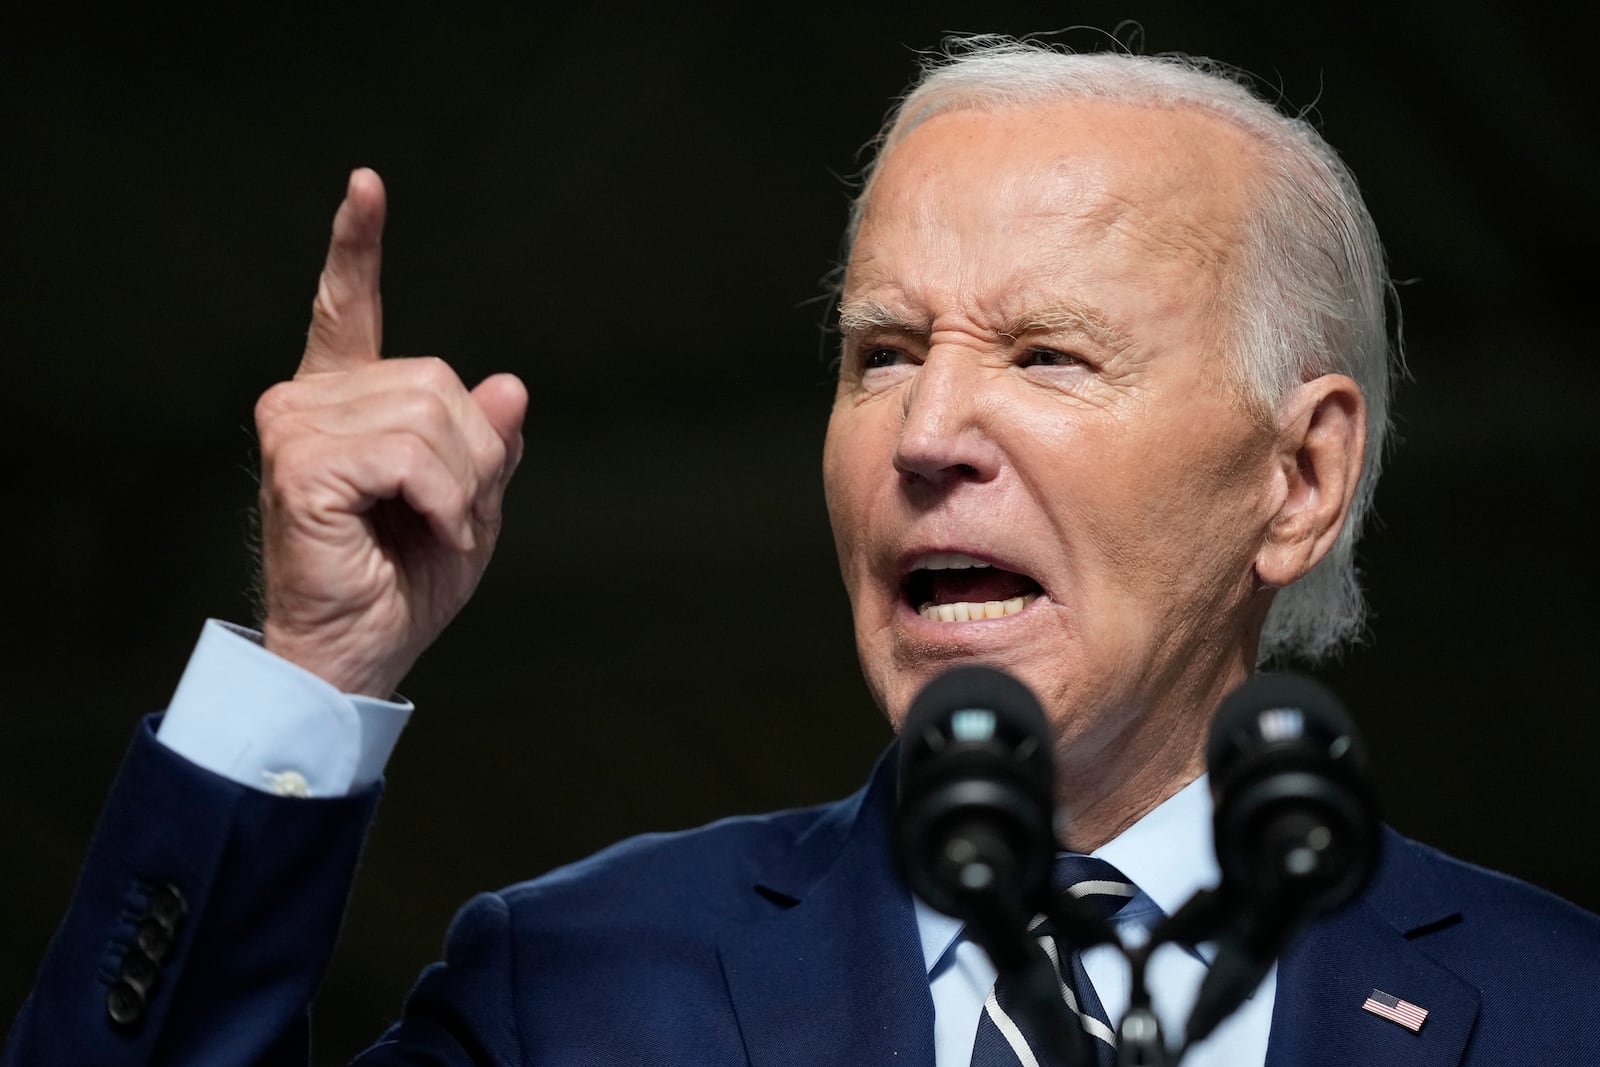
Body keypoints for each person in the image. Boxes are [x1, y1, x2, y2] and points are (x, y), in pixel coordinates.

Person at [6, 36, 1598, 1067]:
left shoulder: (1559, 1015)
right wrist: (312, 672)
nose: (927, 433)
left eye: (1047, 357)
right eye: (883, 353)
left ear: (1301, 478)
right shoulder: (577, 994)